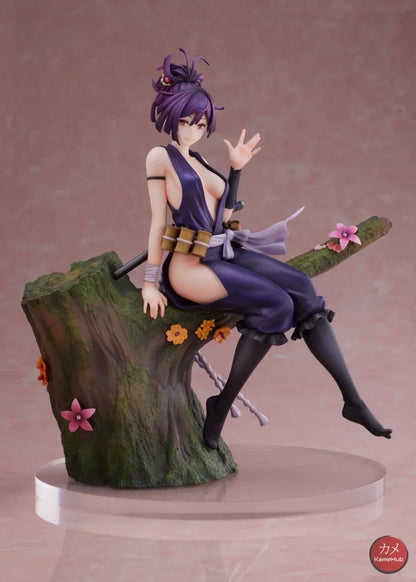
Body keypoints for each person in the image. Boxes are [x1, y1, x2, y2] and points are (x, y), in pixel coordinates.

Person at [142, 49, 392, 450]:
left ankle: (353, 400)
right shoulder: (161, 157)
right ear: (171, 116)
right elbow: (158, 221)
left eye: (200, 123)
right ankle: (222, 404)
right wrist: (150, 283)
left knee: (302, 288)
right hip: (189, 268)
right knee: (277, 305)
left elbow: (223, 215)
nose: (192, 130)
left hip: (223, 252)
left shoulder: (201, 159)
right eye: (185, 121)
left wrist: (236, 168)